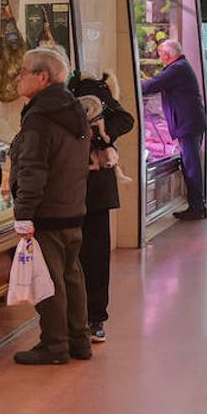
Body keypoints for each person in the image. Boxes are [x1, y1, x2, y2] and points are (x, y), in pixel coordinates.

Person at [9, 48, 93, 365]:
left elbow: (32, 170)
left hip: (47, 212)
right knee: (72, 276)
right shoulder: (74, 111)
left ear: (42, 77)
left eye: (23, 71)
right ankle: (79, 340)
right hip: (72, 209)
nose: (19, 77)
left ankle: (54, 345)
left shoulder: (40, 118)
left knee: (49, 282)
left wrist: (24, 214)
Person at [69, 71, 135, 343]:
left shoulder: (91, 90)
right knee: (73, 258)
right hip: (68, 189)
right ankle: (75, 316)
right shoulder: (60, 93)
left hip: (94, 189)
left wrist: (103, 136)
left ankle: (94, 317)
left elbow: (124, 120)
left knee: (93, 255)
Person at [142, 40, 207, 221]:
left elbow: (153, 85)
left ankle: (197, 207)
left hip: (187, 125)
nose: (160, 57)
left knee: (191, 166)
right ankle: (197, 205)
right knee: (191, 165)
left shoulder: (177, 68)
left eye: (161, 53)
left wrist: (134, 87)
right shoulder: (181, 67)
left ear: (168, 54)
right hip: (190, 123)